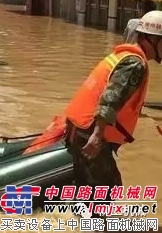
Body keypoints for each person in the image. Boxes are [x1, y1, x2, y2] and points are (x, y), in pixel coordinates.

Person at [64, 11, 162, 213]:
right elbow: (110, 99)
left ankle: (78, 224)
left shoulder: (124, 56)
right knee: (107, 189)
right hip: (90, 133)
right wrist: (98, 136)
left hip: (79, 129)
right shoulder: (135, 64)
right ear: (152, 39)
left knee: (88, 192)